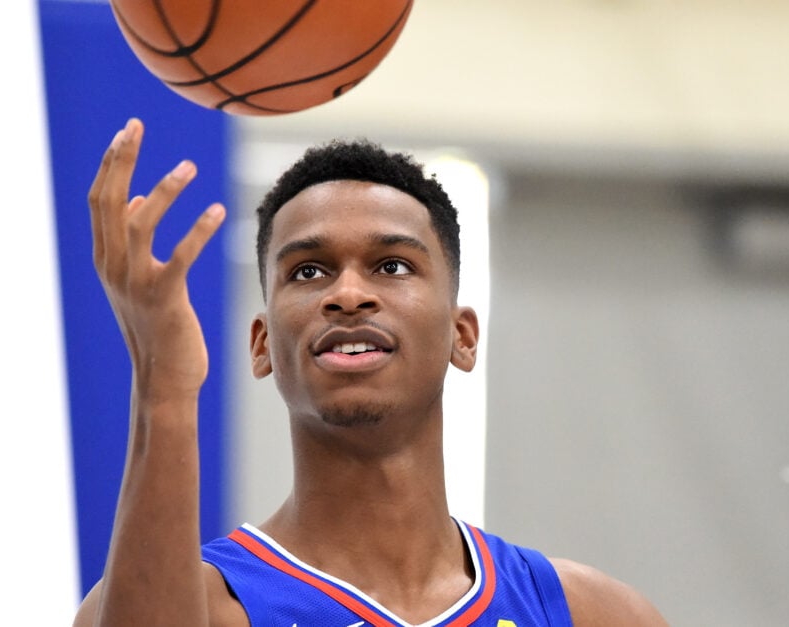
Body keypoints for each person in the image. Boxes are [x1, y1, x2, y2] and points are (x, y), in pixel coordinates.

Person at [74, 117, 668, 626]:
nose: (348, 294)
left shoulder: (592, 613)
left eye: (391, 265)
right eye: (308, 271)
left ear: (461, 336)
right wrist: (165, 381)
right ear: (261, 346)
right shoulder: (205, 607)